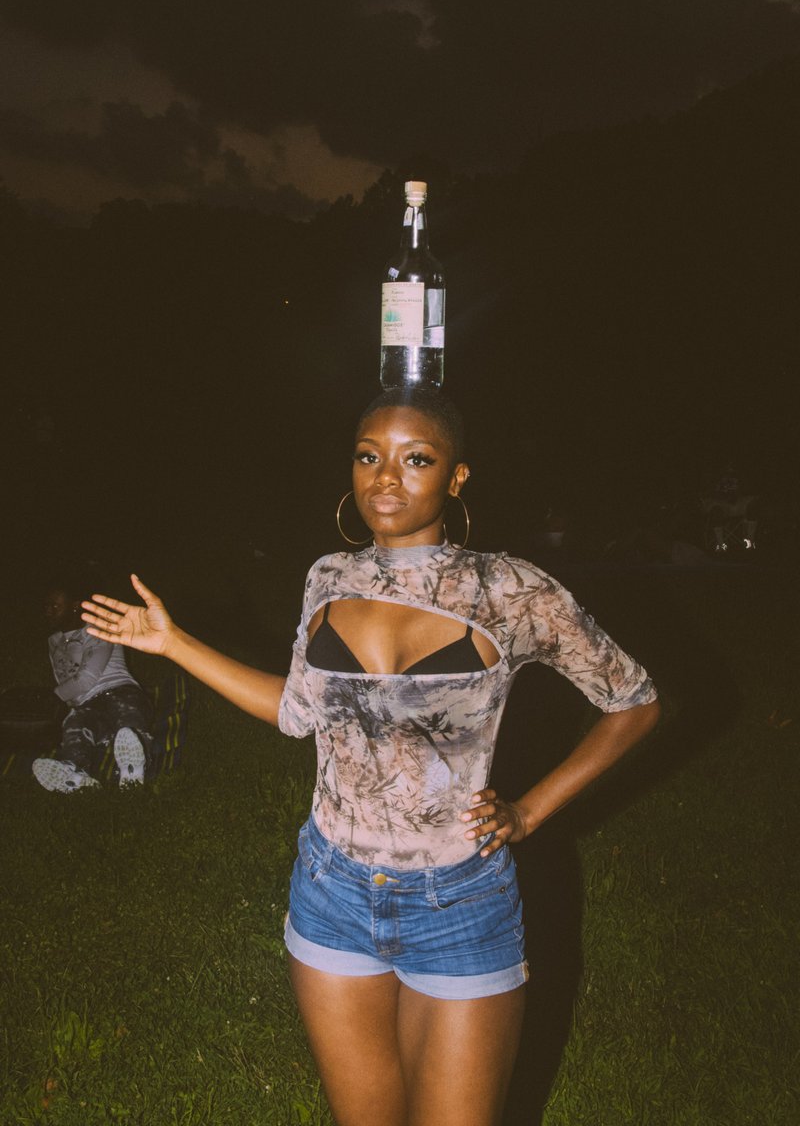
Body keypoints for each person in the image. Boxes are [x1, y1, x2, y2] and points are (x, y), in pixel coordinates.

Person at [81, 388, 660, 1126]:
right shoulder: (329, 576)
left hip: (459, 901)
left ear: (456, 477)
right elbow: (296, 711)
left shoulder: (507, 590)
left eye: (416, 459)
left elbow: (634, 702)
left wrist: (529, 811)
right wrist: (173, 644)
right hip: (332, 891)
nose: (386, 477)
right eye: (368, 456)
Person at [32, 574, 153, 793]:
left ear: (75, 606)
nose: (48, 611)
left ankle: (133, 769)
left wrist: (52, 697)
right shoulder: (53, 641)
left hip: (120, 691)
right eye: (46, 606)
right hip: (87, 705)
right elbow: (63, 678)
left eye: (55, 606)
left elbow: (86, 678)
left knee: (129, 726)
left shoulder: (99, 628)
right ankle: (75, 775)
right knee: (75, 728)